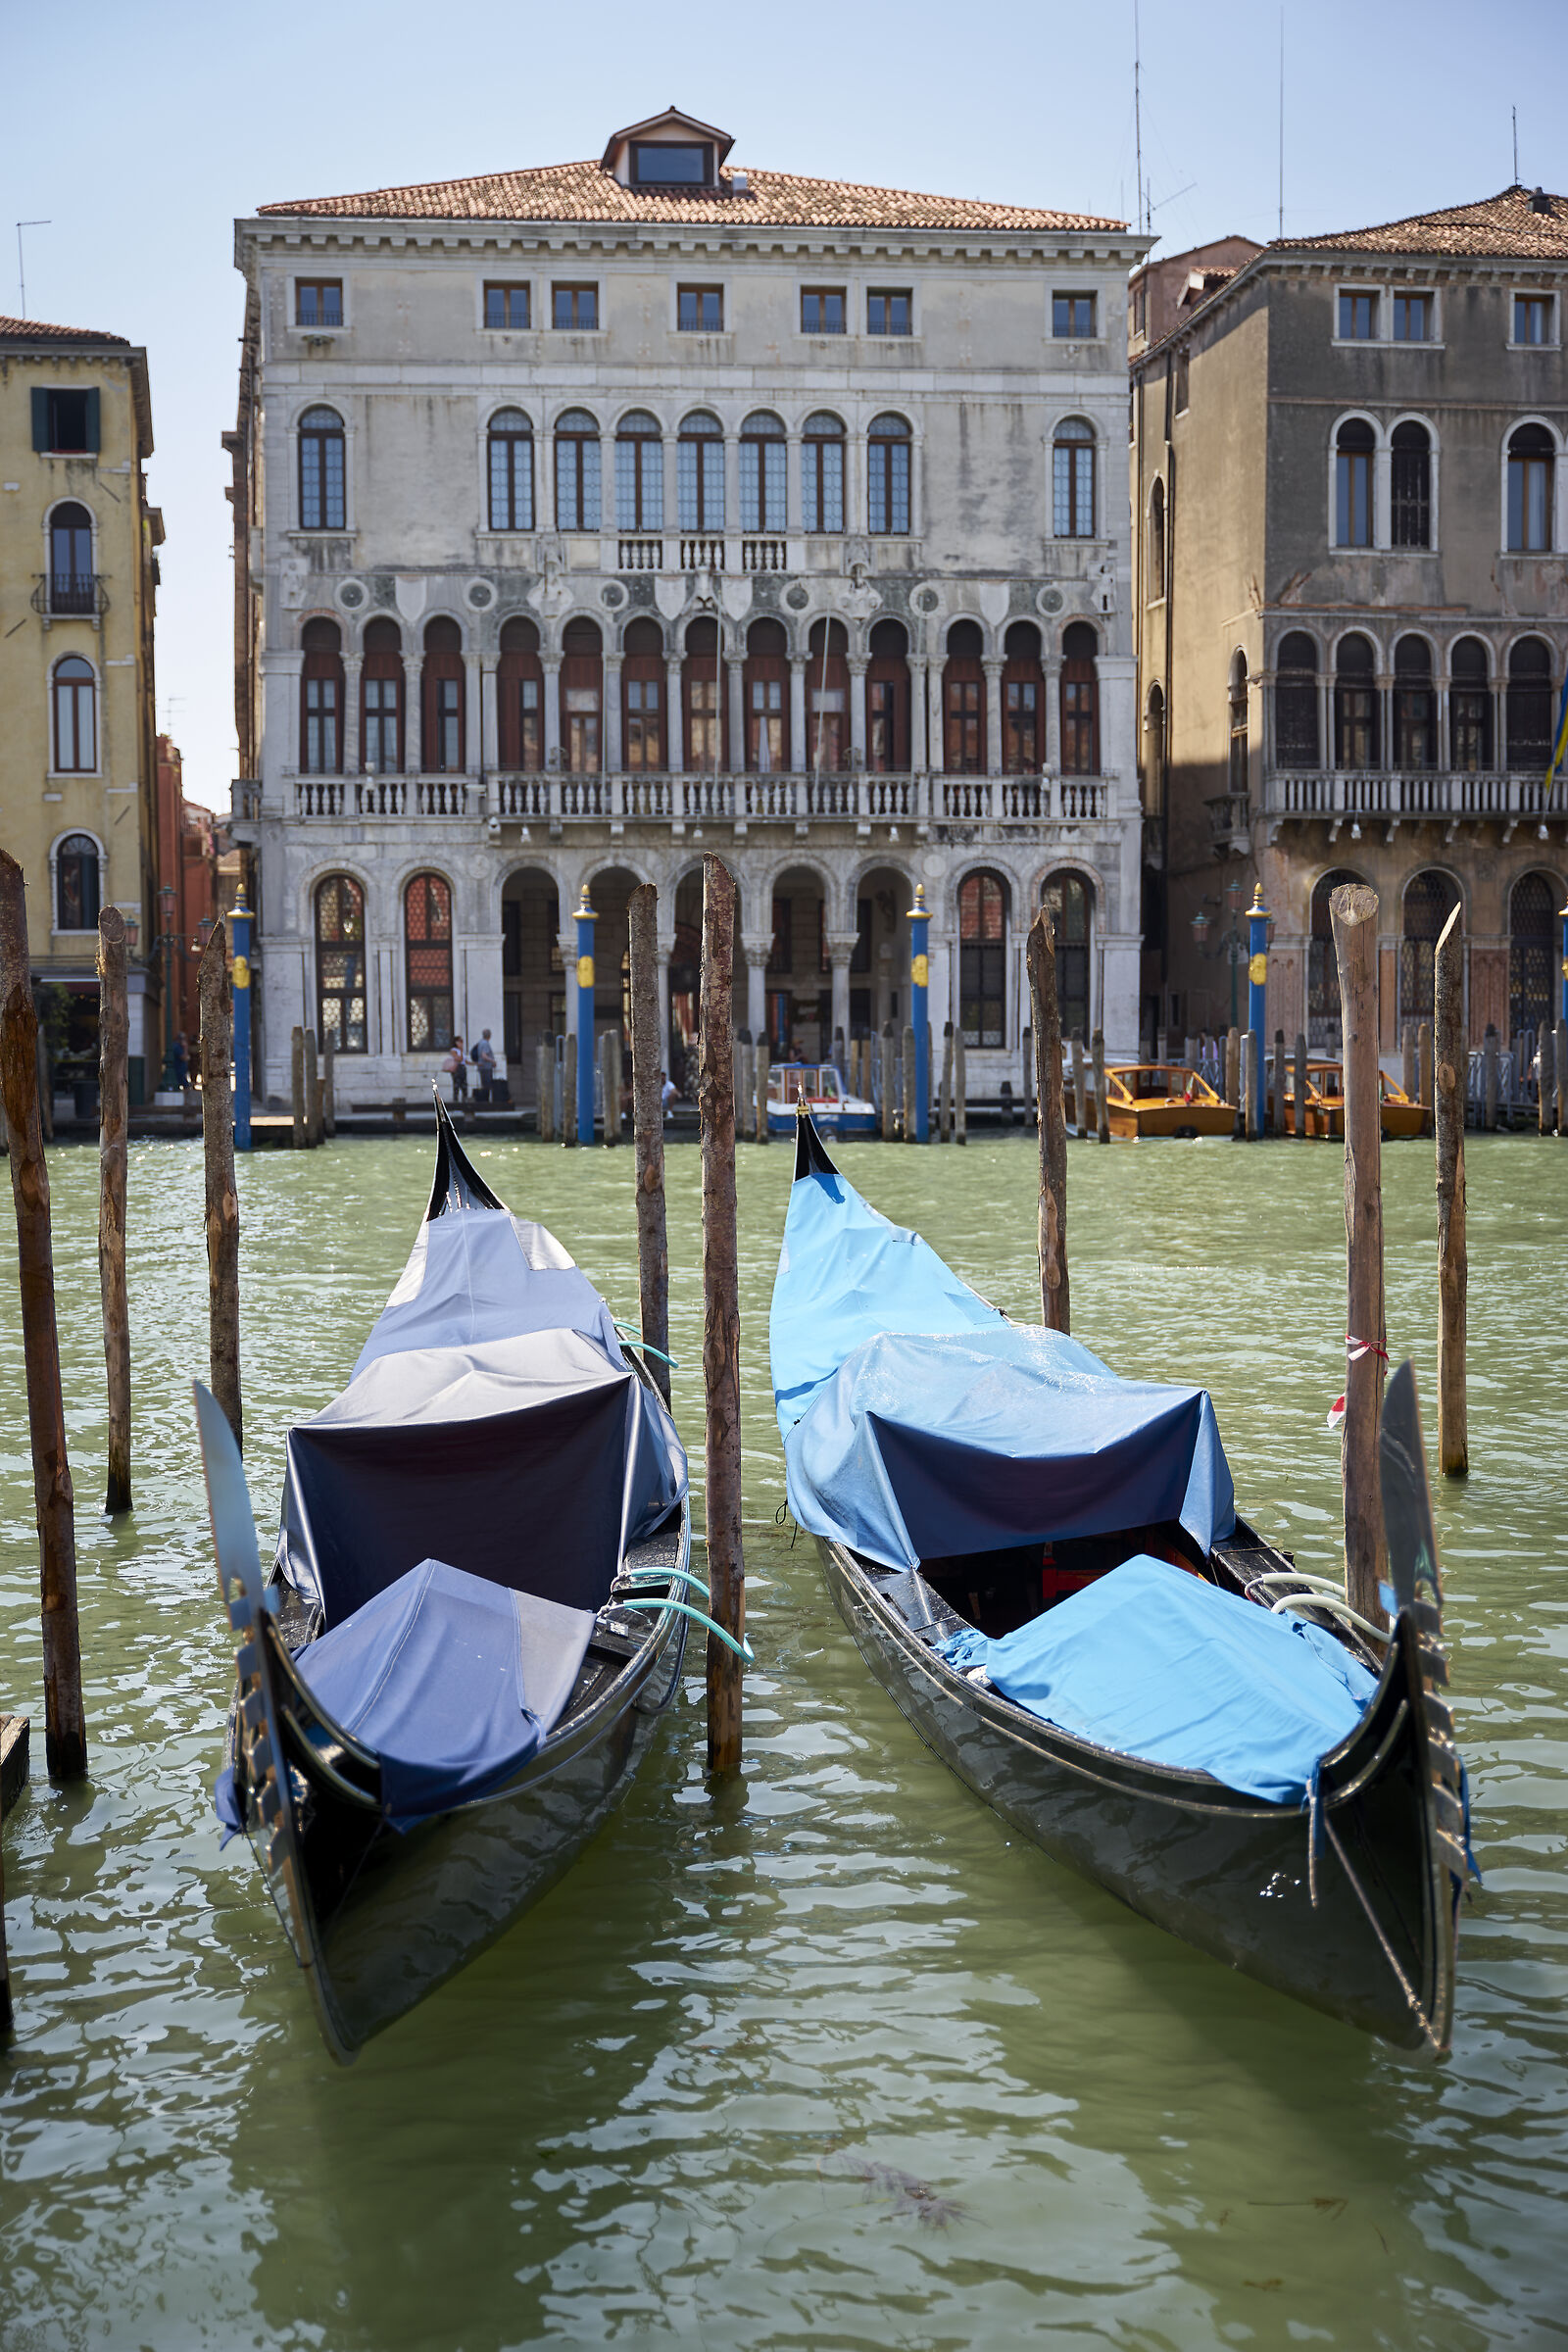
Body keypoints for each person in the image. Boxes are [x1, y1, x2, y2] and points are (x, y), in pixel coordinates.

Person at [471, 1028, 496, 1103]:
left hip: (482, 1067)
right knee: (487, 1085)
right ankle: (485, 1101)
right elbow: (484, 1055)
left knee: (484, 1084)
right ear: (489, 1035)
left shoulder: (481, 1042)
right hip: (486, 1067)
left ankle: (484, 1100)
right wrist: (493, 1061)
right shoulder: (485, 1043)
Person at [443, 1035, 467, 1103]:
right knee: (457, 1085)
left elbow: (464, 1061)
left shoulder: (461, 1051)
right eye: (460, 1041)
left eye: (462, 1041)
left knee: (464, 1085)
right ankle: (455, 1101)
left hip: (463, 1068)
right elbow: (459, 1059)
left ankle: (464, 1100)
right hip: (457, 1068)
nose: (461, 1043)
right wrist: (461, 1051)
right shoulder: (454, 1050)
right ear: (456, 1042)